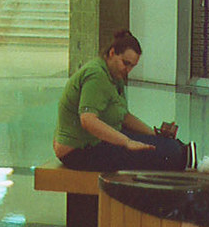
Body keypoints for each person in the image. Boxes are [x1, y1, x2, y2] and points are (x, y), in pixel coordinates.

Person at [54, 29, 200, 172]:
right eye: (125, 63)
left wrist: (153, 134)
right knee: (171, 152)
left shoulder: (114, 75)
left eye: (132, 66)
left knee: (169, 145)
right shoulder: (96, 75)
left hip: (95, 142)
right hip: (78, 151)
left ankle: (182, 152)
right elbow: (87, 120)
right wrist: (127, 142)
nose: (128, 70)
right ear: (112, 53)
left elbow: (124, 116)